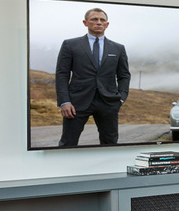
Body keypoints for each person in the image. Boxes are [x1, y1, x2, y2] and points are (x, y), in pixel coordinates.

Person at [55, 8, 130, 146]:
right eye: (94, 19)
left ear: (107, 24)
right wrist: (64, 101)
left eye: (102, 20)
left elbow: (124, 75)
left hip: (108, 102)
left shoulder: (118, 48)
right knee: (68, 143)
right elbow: (62, 74)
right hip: (76, 103)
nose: (99, 23)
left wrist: (121, 98)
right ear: (85, 23)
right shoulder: (70, 45)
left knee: (110, 143)